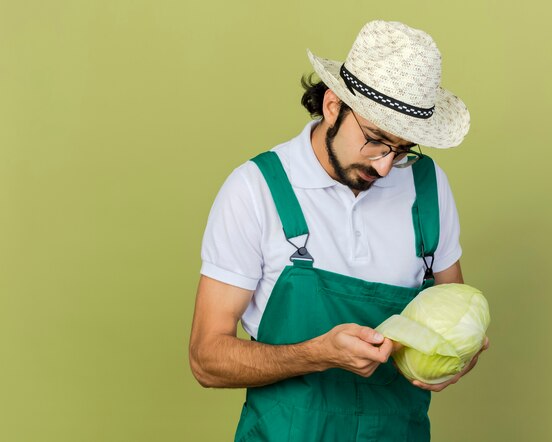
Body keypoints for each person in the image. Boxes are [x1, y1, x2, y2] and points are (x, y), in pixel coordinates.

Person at [189, 20, 489, 441]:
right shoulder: (256, 189)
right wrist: (315, 355)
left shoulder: (428, 187)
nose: (385, 166)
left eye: (402, 149)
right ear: (333, 105)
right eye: (375, 139)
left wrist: (459, 356)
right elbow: (206, 358)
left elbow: (456, 316)